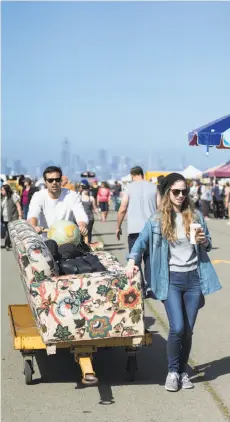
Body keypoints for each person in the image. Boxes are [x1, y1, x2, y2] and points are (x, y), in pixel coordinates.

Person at [125, 173, 221, 392]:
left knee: (187, 330)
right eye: (176, 191)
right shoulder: (157, 219)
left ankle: (183, 373)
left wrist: (205, 241)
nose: (180, 195)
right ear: (167, 192)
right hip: (171, 279)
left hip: (194, 279)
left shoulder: (195, 215)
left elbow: (207, 244)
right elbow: (140, 243)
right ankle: (172, 371)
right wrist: (132, 261)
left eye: (184, 191)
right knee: (177, 327)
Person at [116, 166, 157, 294]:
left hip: (134, 230)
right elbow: (161, 208)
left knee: (135, 260)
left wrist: (118, 226)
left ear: (132, 175)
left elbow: (123, 208)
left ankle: (140, 286)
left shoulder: (129, 188)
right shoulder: (153, 187)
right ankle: (150, 286)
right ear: (142, 174)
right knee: (150, 258)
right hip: (151, 228)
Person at [27, 166, 88, 239]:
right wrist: (34, 226)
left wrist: (82, 226)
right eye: (50, 180)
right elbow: (33, 214)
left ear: (61, 180)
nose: (54, 183)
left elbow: (80, 214)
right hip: (45, 240)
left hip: (67, 239)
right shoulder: (38, 196)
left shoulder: (72, 195)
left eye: (57, 180)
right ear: (45, 181)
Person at [1, 184, 23, 250]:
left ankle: (7, 244)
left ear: (6, 190)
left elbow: (18, 206)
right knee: (7, 231)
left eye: (2, 190)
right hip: (4, 218)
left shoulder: (13, 196)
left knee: (10, 231)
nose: (1, 191)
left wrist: (20, 215)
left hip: (12, 217)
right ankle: (8, 244)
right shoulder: (3, 197)